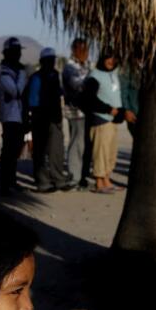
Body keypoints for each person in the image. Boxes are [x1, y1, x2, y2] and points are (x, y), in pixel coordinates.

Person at [82, 50, 123, 194]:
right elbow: (89, 99)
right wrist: (107, 109)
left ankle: (107, 178)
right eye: (108, 58)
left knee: (111, 152)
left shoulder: (115, 73)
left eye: (114, 58)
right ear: (102, 59)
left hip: (114, 119)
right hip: (101, 118)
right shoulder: (94, 76)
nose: (111, 61)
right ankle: (99, 182)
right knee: (101, 151)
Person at [27, 47, 67, 192]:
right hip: (41, 119)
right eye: (49, 60)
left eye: (53, 60)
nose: (51, 62)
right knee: (40, 151)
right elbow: (32, 101)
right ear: (42, 61)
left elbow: (59, 93)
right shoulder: (36, 77)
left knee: (57, 150)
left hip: (55, 119)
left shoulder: (55, 75)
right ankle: (42, 181)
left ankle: (58, 178)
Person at [0, 37, 29, 195]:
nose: (18, 55)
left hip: (19, 116)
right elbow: (15, 91)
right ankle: (4, 183)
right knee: (8, 150)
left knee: (15, 150)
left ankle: (12, 181)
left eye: (19, 51)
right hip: (9, 116)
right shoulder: (4, 71)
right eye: (15, 51)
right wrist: (22, 74)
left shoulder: (14, 70)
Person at [63, 38, 93, 189]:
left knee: (86, 145)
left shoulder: (87, 65)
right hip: (76, 112)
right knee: (76, 144)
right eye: (83, 50)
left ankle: (83, 175)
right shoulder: (70, 67)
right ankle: (74, 177)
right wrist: (91, 81)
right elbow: (77, 85)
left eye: (87, 50)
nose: (86, 53)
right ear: (75, 50)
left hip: (87, 111)